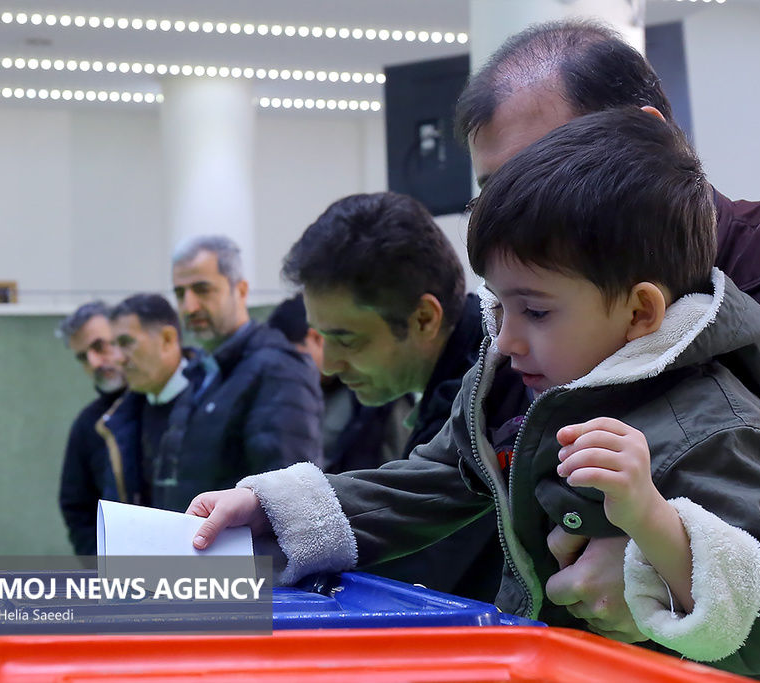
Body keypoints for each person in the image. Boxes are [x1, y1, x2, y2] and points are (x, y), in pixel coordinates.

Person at [187, 109, 760, 680]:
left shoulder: (721, 427)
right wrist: (276, 512)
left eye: (536, 311)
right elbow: (433, 480)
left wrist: (652, 522)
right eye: (499, 305)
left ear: (640, 310)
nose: (507, 339)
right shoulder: (516, 386)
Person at [454, 20, 760, 683]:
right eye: (489, 188)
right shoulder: (522, 332)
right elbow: (437, 496)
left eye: (539, 168)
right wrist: (263, 554)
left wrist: (677, 554)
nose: (507, 208)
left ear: (649, 134)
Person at [277, 192, 505, 600]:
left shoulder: (489, 398)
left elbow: (405, 572)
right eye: (321, 338)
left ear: (423, 319)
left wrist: (195, 586)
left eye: (347, 340)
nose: (328, 365)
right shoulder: (458, 384)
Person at [156, 235, 323, 511]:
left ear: (241, 290)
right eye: (180, 293)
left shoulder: (278, 368)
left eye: (202, 289)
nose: (189, 306)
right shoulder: (201, 372)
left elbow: (289, 496)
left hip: (243, 551)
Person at [266, 294, 413, 474]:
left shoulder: (383, 394)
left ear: (316, 338)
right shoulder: (305, 393)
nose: (288, 370)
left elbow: (403, 472)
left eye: (293, 358)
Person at [97, 294, 195, 507]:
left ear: (167, 340)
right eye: (115, 346)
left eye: (126, 343)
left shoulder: (213, 402)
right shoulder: (122, 416)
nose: (118, 358)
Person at [55, 300, 127, 555]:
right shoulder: (87, 425)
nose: (95, 362)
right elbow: (77, 508)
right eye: (84, 357)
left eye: (99, 346)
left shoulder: (170, 399)